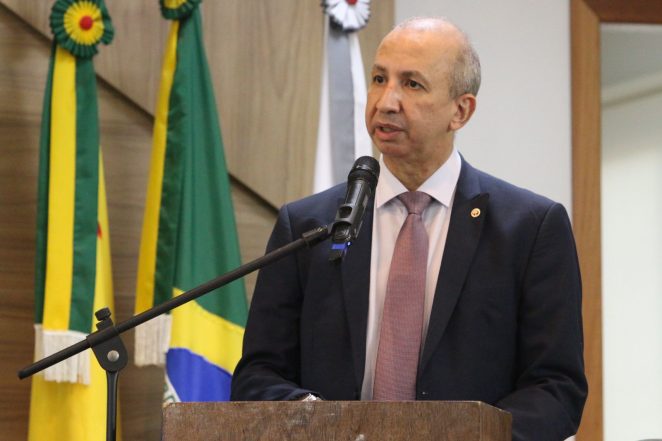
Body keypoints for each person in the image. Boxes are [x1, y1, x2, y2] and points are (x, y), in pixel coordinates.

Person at [231, 17, 587, 441]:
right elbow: (259, 374)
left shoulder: (529, 229)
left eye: (412, 84)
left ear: (461, 110)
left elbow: (556, 388)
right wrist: (321, 422)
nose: (386, 102)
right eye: (379, 79)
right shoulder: (309, 225)